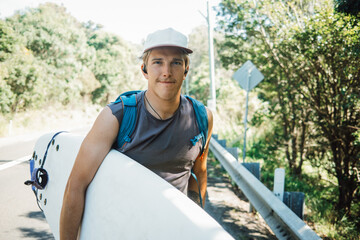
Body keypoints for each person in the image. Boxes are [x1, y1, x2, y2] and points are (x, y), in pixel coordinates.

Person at [59, 28, 213, 240]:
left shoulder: (201, 118)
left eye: (176, 62)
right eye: (158, 62)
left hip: (171, 232)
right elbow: (75, 186)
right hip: (119, 230)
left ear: (186, 69)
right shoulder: (116, 116)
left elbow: (198, 173)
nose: (166, 71)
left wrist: (196, 226)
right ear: (144, 70)